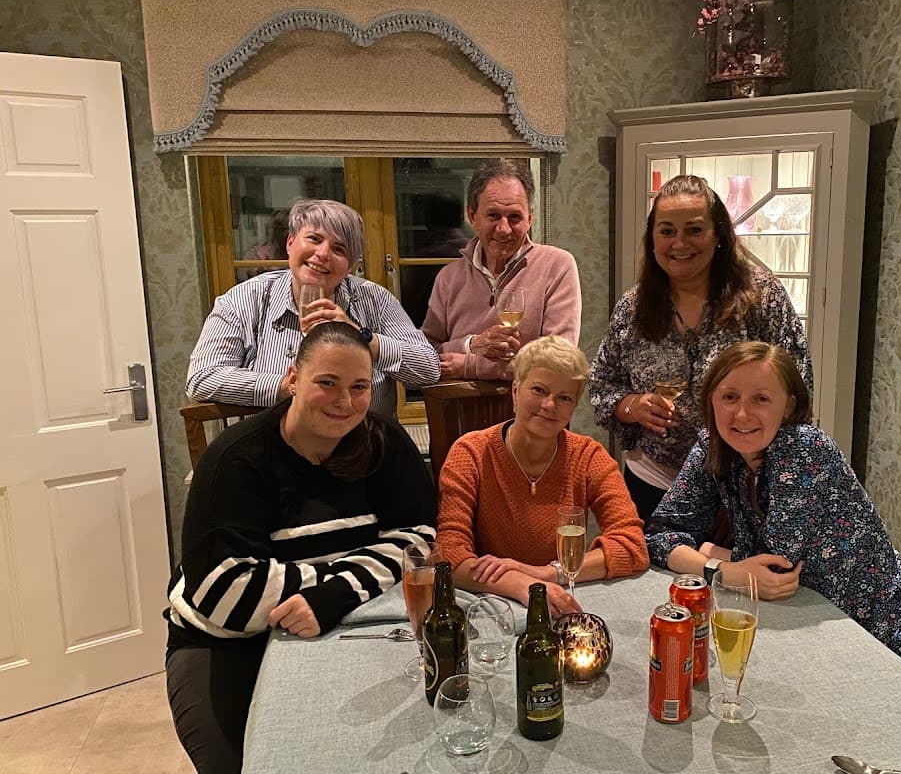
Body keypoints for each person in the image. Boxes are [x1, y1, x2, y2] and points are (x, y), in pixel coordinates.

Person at [166, 322, 437, 773]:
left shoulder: (385, 442)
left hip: (339, 622)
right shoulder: (234, 461)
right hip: (225, 643)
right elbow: (226, 596)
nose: (345, 402)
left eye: (360, 387)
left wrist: (332, 595)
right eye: (327, 383)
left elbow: (417, 540)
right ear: (292, 378)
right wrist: (353, 578)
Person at [644, 341, 901, 693]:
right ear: (710, 400)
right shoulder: (712, 446)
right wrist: (720, 567)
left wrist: (711, 551)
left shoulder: (804, 449)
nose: (741, 415)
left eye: (761, 399)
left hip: (894, 647)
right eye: (729, 397)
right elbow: (658, 535)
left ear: (788, 406)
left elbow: (775, 573)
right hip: (823, 641)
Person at [588, 174, 812, 522]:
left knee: (733, 576)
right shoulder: (633, 308)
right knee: (653, 576)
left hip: (741, 484)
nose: (679, 243)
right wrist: (632, 405)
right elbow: (601, 385)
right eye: (666, 231)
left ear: (718, 236)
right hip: (654, 482)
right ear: (652, 239)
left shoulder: (761, 298)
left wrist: (755, 478)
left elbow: (797, 392)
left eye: (693, 230)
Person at [435, 335, 649, 617]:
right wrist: (522, 583)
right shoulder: (470, 453)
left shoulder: (588, 457)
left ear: (573, 407)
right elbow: (449, 556)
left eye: (564, 398)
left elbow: (633, 548)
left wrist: (545, 574)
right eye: (539, 390)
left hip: (561, 601)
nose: (549, 405)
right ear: (515, 391)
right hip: (491, 607)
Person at [187, 198, 440, 419]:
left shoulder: (375, 299)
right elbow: (202, 378)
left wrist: (362, 337)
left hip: (362, 450)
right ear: (290, 243)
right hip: (274, 454)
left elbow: (428, 369)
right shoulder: (245, 298)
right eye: (314, 239)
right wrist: (286, 386)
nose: (322, 254)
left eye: (339, 249)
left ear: (350, 265)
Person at [421, 159, 581, 381]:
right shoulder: (449, 277)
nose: (504, 229)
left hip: (533, 412)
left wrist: (471, 365)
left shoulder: (557, 266)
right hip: (458, 411)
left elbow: (558, 361)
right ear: (473, 216)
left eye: (514, 217)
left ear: (530, 219)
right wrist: (471, 345)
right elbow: (424, 353)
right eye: (493, 215)